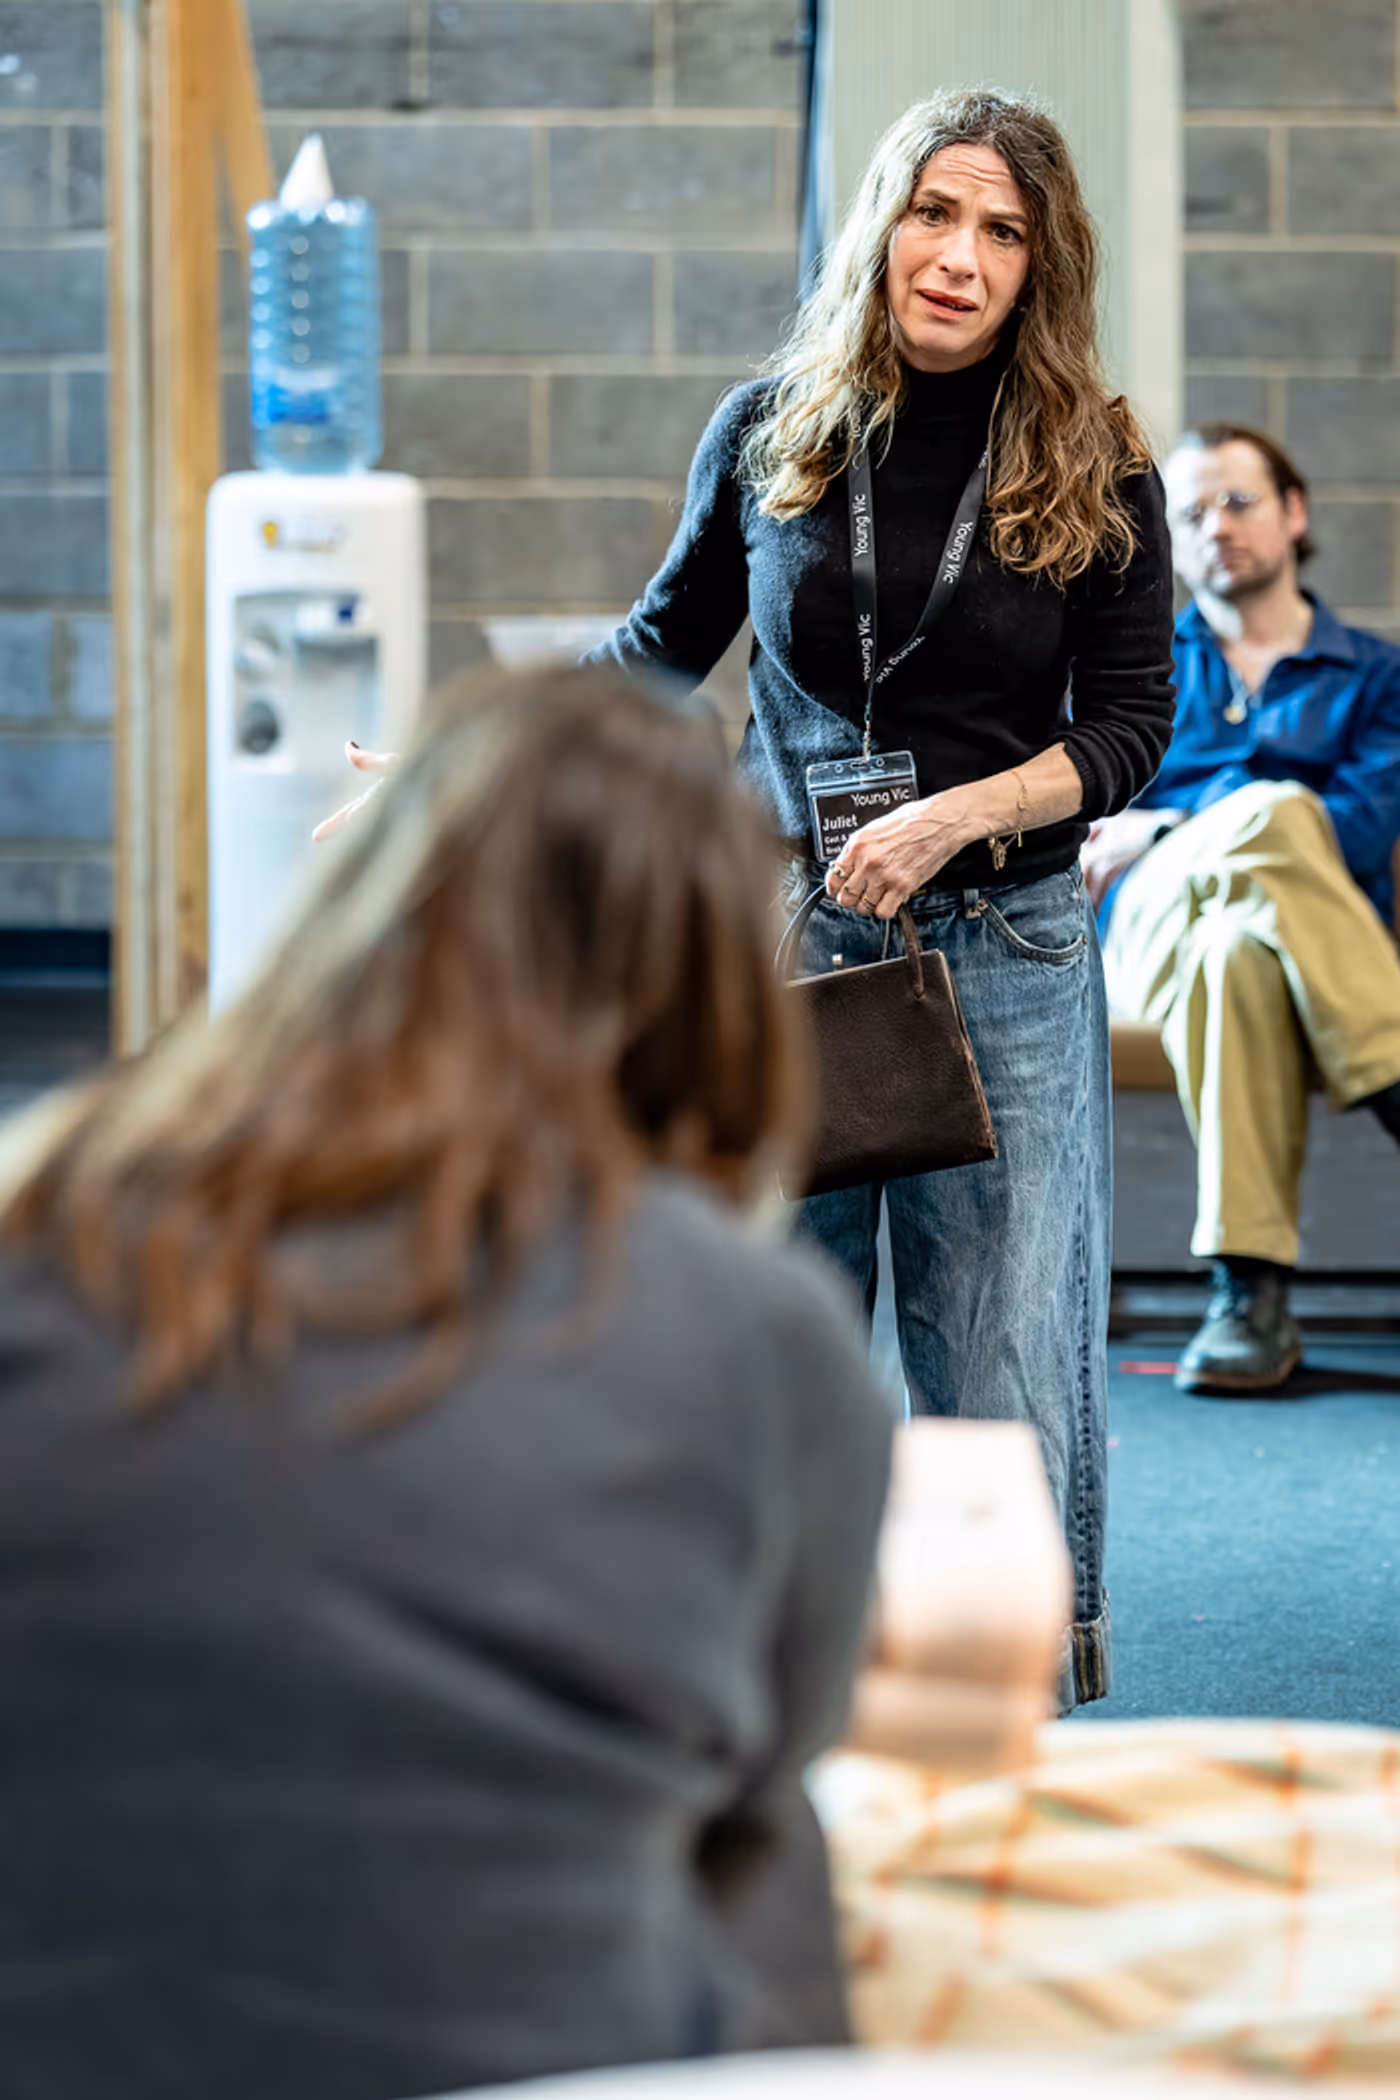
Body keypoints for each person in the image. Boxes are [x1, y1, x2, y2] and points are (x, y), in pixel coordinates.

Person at [0, 664, 893, 2100]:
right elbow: (784, 1731)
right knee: (769, 1828)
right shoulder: (752, 1329)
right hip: (523, 2052)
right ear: (709, 994)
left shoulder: (54, 1207)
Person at [591, 88, 1177, 1711]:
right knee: (764, 1346)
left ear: (1041, 267)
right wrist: (460, 755)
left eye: (1003, 231)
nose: (960, 256)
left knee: (994, 1366)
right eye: (935, 212)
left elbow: (1133, 730)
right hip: (788, 945)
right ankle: (744, 1711)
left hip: (1004, 948)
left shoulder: (1098, 460)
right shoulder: (772, 427)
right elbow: (654, 651)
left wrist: (959, 817)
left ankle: (999, 1724)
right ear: (882, 225)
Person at [1086, 423, 1400, 1396]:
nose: (1214, 527)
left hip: (1286, 941)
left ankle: (1248, 1295)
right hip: (1146, 931)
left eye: (1236, 501)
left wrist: (1167, 824)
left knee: (1234, 945)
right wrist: (1192, 833)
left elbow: (1356, 835)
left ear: (1292, 513)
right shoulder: (1131, 659)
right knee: (1274, 813)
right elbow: (1090, 831)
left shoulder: (1374, 676)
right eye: (1189, 514)